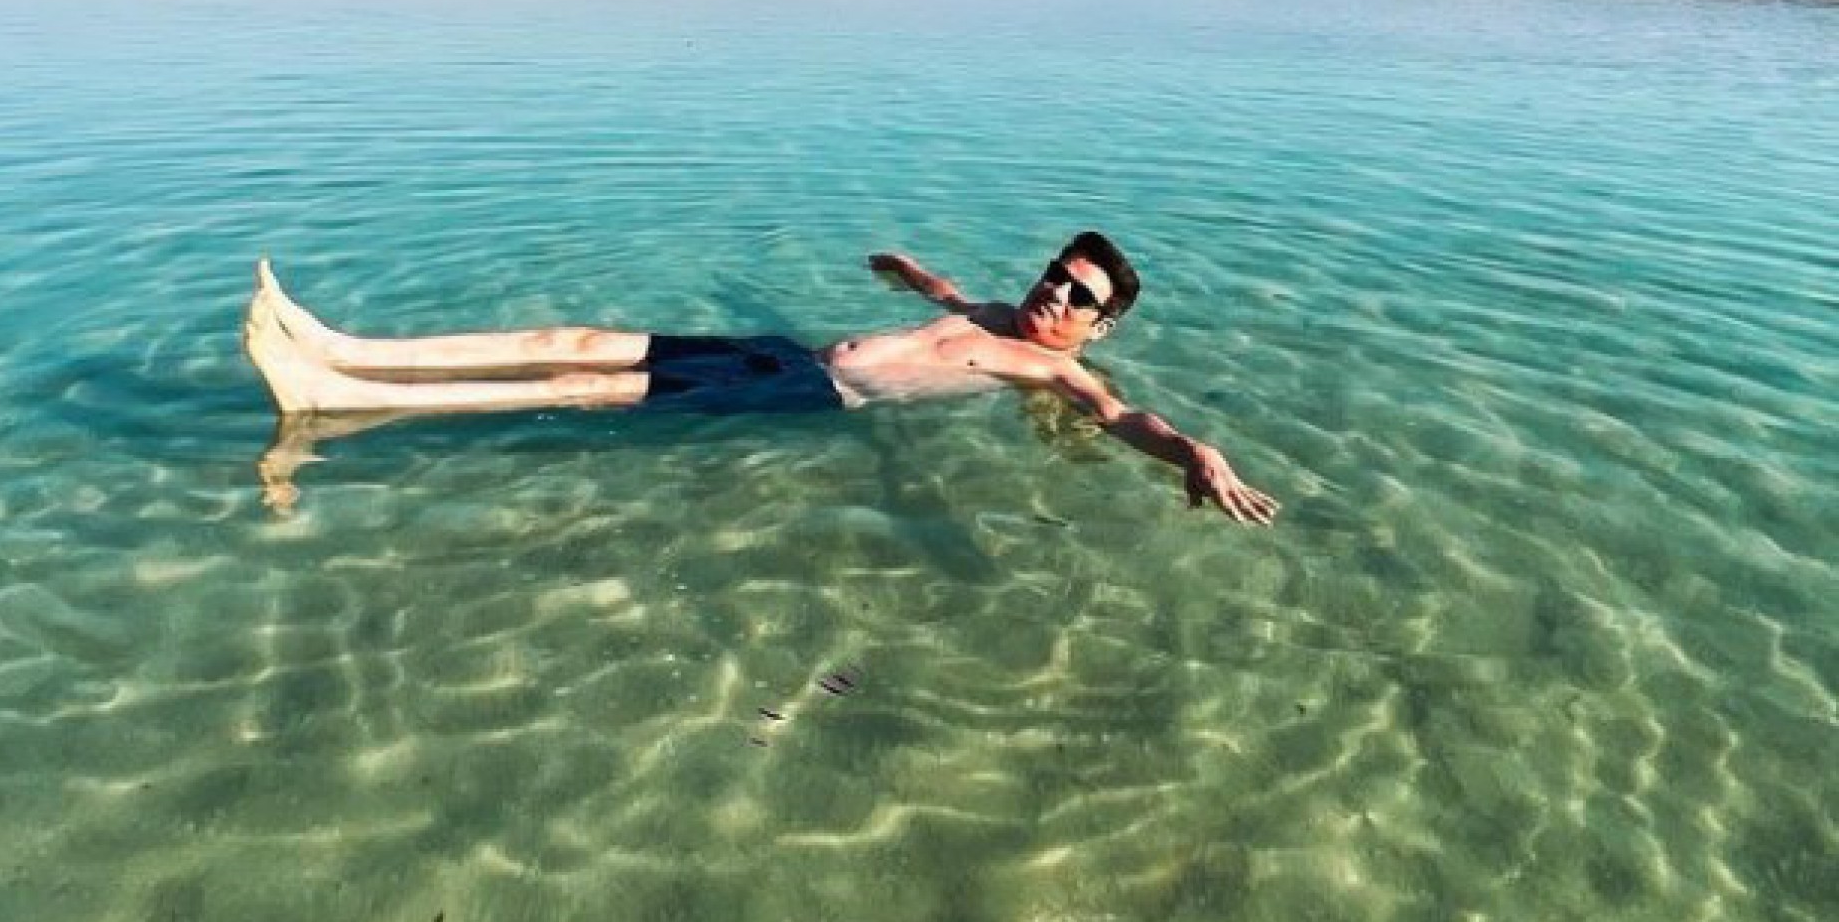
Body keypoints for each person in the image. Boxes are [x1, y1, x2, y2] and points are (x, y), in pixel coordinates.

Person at [242, 233, 1278, 524]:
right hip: (785, 357)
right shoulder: (990, 315)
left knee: (593, 390)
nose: (1056, 295)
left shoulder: (1048, 375)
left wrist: (1195, 451)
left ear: (1096, 329)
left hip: (811, 397)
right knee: (581, 338)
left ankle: (338, 403)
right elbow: (946, 286)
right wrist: (904, 268)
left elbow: (1121, 414)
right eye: (1058, 274)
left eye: (1077, 297)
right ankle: (346, 348)